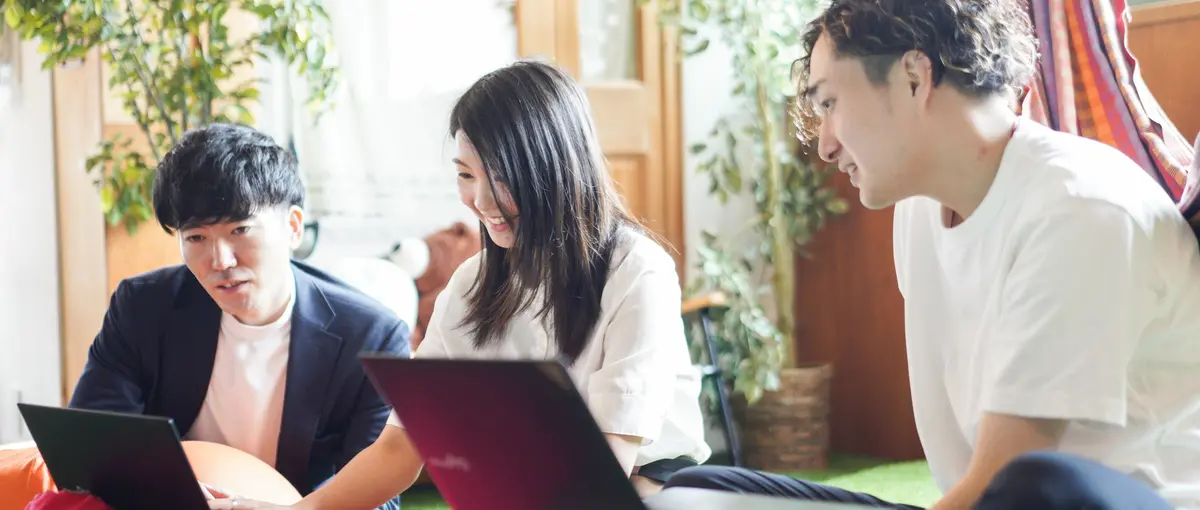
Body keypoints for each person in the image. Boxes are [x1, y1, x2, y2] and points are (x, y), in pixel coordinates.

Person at [664, 1, 1200, 509]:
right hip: (996, 497)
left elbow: (1004, 482)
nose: (825, 145)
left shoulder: (1081, 208)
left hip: (1089, 501)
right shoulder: (918, 210)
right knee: (696, 486)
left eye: (829, 103)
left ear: (914, 78)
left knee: (1035, 482)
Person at [208, 60, 711, 510]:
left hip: (643, 489)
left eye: (502, 178)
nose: (480, 200)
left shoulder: (638, 272)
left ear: (557, 171)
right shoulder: (471, 284)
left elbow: (605, 466)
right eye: (466, 175)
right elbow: (401, 446)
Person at [69, 123, 411, 509]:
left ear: (293, 227)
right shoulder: (144, 306)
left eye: (240, 230)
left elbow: (377, 499)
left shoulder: (371, 337)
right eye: (196, 238)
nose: (220, 261)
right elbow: (90, 446)